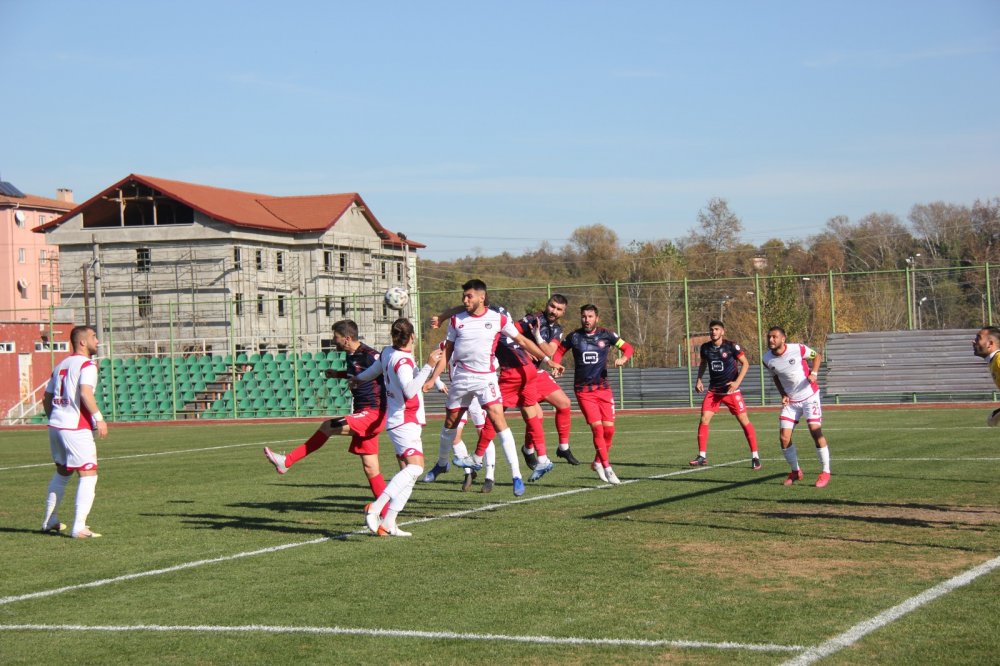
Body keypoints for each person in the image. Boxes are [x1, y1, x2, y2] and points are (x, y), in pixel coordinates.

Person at [426, 279, 564, 497]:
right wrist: (433, 378)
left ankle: (516, 475)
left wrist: (547, 359)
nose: (465, 300)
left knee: (498, 422)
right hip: (462, 380)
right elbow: (447, 352)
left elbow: (523, 341)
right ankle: (443, 463)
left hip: (489, 378)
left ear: (482, 297)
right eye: (464, 296)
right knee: (450, 426)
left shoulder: (498, 318)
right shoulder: (457, 320)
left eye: (469, 296)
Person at [263, 320, 390, 508]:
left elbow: (385, 373)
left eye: (336, 338)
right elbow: (357, 374)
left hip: (372, 413)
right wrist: (338, 374)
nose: (334, 341)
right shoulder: (352, 355)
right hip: (363, 412)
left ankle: (287, 461)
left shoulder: (370, 355)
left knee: (328, 426)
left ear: (347, 339)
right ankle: (386, 512)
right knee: (371, 468)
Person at [353, 319, 440, 536]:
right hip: (404, 420)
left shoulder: (387, 353)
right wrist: (429, 365)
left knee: (409, 473)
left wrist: (357, 379)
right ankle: (376, 507)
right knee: (416, 468)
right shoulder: (402, 361)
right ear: (412, 336)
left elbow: (373, 372)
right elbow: (409, 391)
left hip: (400, 420)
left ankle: (389, 522)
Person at [551, 304, 634, 485]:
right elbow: (558, 352)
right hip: (583, 391)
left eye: (590, 316)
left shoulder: (607, 335)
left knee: (609, 430)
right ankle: (607, 467)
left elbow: (628, 348)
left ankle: (597, 462)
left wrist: (623, 358)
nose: (586, 320)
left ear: (597, 318)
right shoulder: (574, 337)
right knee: (597, 428)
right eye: (583, 316)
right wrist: (556, 365)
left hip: (603, 389)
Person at [41, 325, 107, 539]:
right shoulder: (87, 365)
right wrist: (99, 419)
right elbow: (86, 393)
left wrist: (54, 417)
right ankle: (79, 527)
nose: (97, 341)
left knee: (63, 472)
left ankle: (49, 519)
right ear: (82, 342)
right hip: (75, 427)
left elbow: (47, 398)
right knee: (88, 474)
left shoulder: (61, 364)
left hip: (56, 426)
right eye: (94, 337)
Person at [762, 326, 831, 488]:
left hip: (809, 396)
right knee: (784, 438)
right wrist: (783, 395)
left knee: (815, 430)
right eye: (769, 337)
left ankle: (826, 471)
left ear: (783, 339)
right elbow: (776, 378)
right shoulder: (767, 359)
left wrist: (814, 373)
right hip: (791, 402)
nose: (771, 340)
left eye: (774, 337)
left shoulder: (798, 349)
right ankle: (795, 471)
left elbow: (817, 356)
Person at [518, 294, 581, 466]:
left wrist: (537, 338)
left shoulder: (557, 329)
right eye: (552, 306)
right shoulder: (532, 319)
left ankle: (563, 447)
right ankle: (528, 450)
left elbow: (550, 351)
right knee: (537, 417)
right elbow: (509, 333)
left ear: (563, 312)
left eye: (559, 309)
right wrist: (522, 350)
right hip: (520, 373)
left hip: (537, 372)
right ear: (547, 305)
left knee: (565, 403)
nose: (554, 311)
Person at [689, 320, 760, 469]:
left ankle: (755, 456)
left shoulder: (731, 346)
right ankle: (702, 456)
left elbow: (745, 364)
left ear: (722, 331)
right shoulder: (705, 348)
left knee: (744, 420)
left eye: (716, 329)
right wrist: (699, 379)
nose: (713, 332)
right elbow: (703, 363)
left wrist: (737, 383)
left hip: (731, 391)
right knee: (704, 419)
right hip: (714, 391)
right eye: (711, 329)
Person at [972, 326, 1000, 426]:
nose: (973, 341)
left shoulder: (998, 360)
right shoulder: (993, 362)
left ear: (990, 344)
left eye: (978, 338)